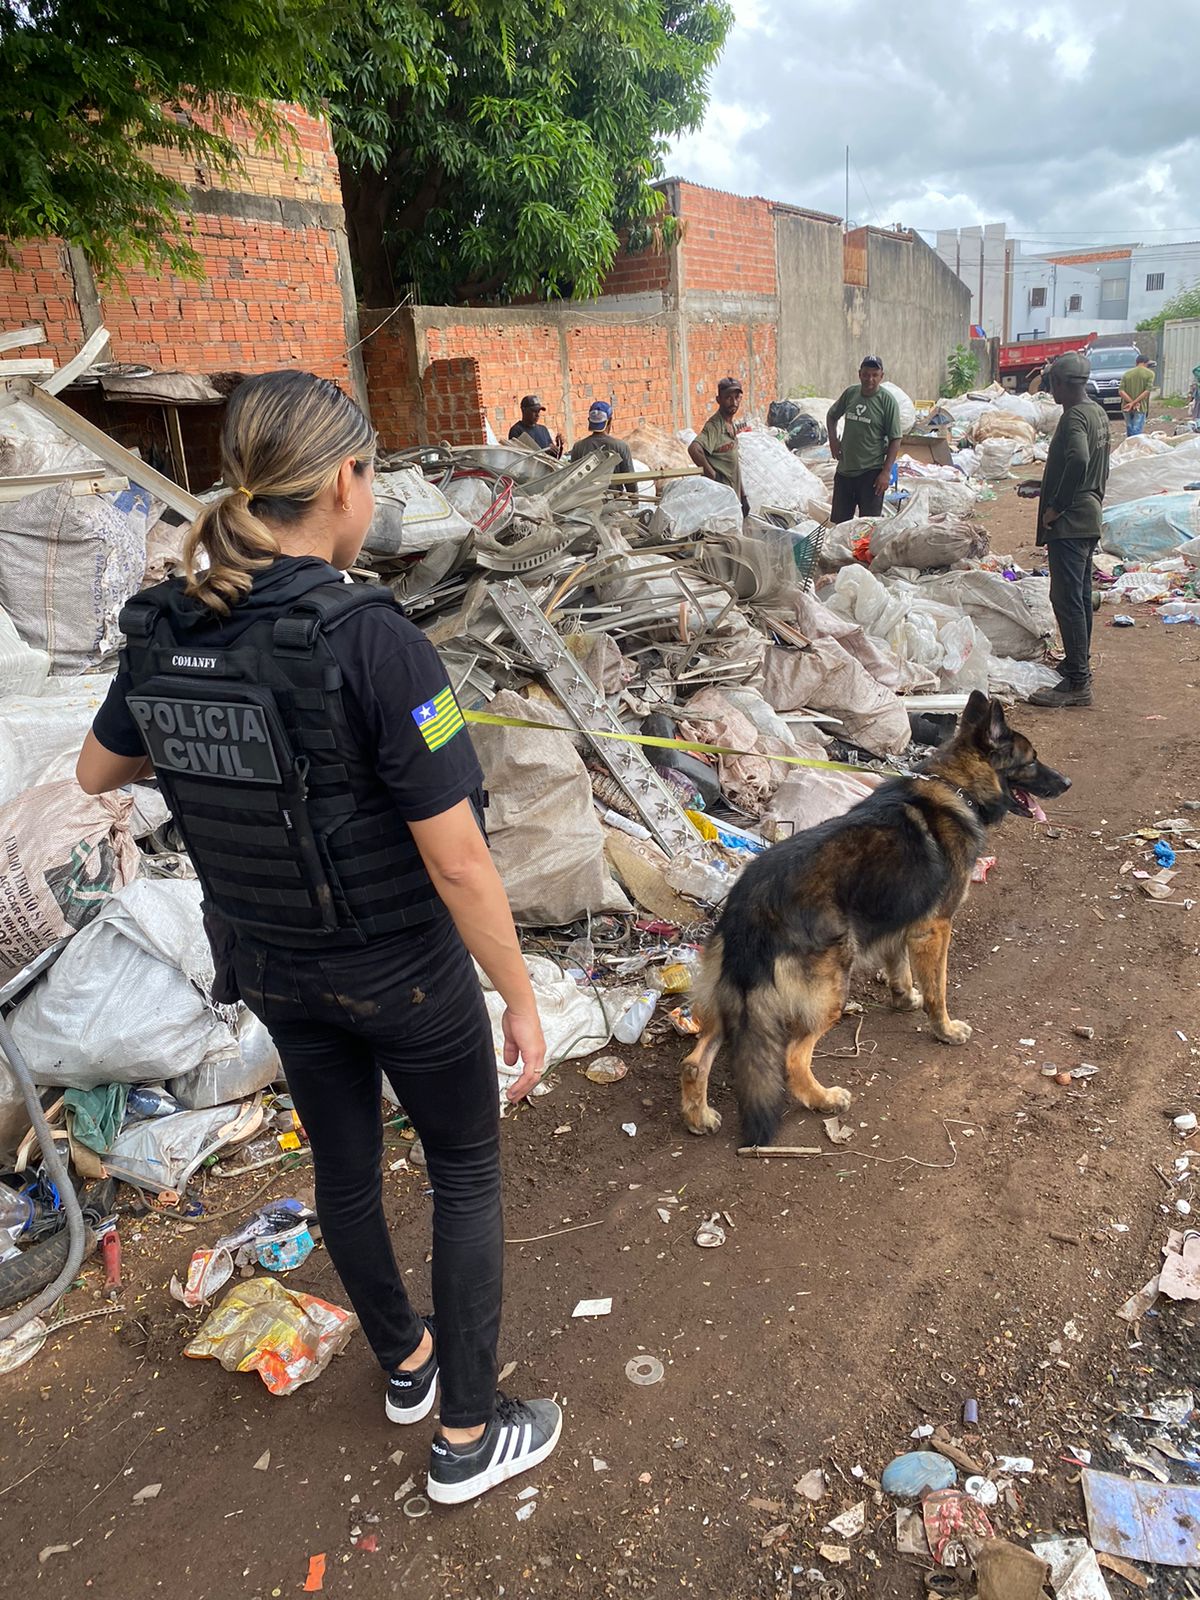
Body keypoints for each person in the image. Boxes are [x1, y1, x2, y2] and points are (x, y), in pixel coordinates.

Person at [75, 371, 562, 1505]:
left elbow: (102, 770)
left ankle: (406, 1363)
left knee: (345, 1165)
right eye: (372, 474)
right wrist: (520, 994)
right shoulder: (373, 638)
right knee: (463, 1168)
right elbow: (457, 859)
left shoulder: (167, 621)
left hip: (273, 963)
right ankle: (467, 1437)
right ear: (347, 481)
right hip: (398, 967)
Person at [1027, 351, 1111, 709]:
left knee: (1065, 598)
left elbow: (1078, 458)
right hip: (1088, 514)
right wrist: (1042, 483)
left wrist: (1056, 506)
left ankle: (1078, 681)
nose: (1052, 392)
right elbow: (1092, 465)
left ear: (1062, 384)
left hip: (1071, 521)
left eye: (1053, 385)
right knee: (1080, 595)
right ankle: (1078, 663)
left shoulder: (1074, 416)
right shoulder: (1097, 413)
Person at [826, 355, 903, 522]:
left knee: (867, 527)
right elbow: (832, 416)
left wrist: (885, 472)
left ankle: (861, 550)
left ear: (881, 376)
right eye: (866, 374)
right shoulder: (851, 393)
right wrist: (833, 439)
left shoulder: (887, 401)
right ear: (859, 374)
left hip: (871, 474)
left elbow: (895, 439)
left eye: (875, 375)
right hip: (845, 471)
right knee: (840, 524)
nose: (870, 379)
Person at [689, 376, 749, 516]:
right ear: (718, 400)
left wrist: (743, 496)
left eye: (737, 397)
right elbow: (694, 449)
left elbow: (734, 466)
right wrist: (714, 477)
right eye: (728, 397)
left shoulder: (730, 425)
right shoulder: (715, 426)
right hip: (720, 502)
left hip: (732, 499)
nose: (733, 402)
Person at [568, 400, 636, 493]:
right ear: (610, 420)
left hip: (585, 502)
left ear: (589, 420)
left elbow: (573, 481)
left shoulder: (578, 447)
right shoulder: (621, 446)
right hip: (614, 502)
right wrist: (634, 502)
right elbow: (630, 481)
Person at [1119, 354, 1154, 437]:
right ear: (1147, 363)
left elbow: (1121, 391)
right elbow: (1147, 391)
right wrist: (1135, 403)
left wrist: (1131, 403)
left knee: (1130, 429)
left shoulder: (1127, 374)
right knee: (1136, 431)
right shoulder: (1150, 374)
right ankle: (1134, 448)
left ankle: (1129, 447)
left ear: (1136, 362)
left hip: (1126, 406)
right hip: (1140, 406)